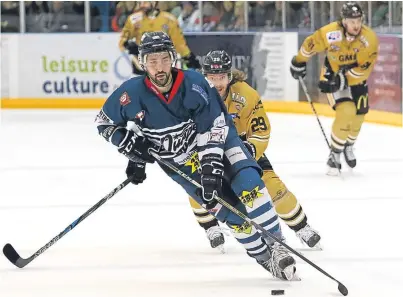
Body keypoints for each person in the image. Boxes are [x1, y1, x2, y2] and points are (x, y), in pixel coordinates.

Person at [96, 31, 297, 281]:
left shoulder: (194, 83)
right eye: (152, 61)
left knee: (249, 184)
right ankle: (264, 257)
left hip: (222, 144)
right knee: (232, 215)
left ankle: (276, 242)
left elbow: (214, 125)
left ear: (173, 58)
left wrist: (211, 164)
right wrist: (130, 147)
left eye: (163, 59)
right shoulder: (129, 94)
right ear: (143, 62)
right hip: (181, 165)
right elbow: (104, 122)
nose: (159, 67)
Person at [188, 50, 321, 252]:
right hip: (208, 150)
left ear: (229, 76)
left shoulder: (246, 95)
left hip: (242, 149)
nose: (217, 83)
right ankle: (211, 227)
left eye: (221, 77)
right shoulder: (193, 96)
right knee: (198, 187)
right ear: (205, 77)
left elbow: (260, 131)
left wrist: (249, 150)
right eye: (212, 78)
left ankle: (301, 227)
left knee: (273, 188)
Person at [290, 2, 379, 175]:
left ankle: (348, 146)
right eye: (352, 21)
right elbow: (310, 44)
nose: (356, 25)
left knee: (359, 116)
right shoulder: (331, 33)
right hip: (332, 75)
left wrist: (345, 80)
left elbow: (365, 68)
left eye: (359, 20)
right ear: (344, 21)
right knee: (346, 111)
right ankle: (335, 154)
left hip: (355, 79)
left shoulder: (369, 39)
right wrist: (299, 61)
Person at [118, 1, 200, 75]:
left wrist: (188, 56)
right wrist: (130, 47)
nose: (142, 4)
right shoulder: (134, 19)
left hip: (163, 65)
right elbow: (123, 42)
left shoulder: (169, 19)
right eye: (140, 2)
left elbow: (179, 43)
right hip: (142, 65)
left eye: (145, 2)